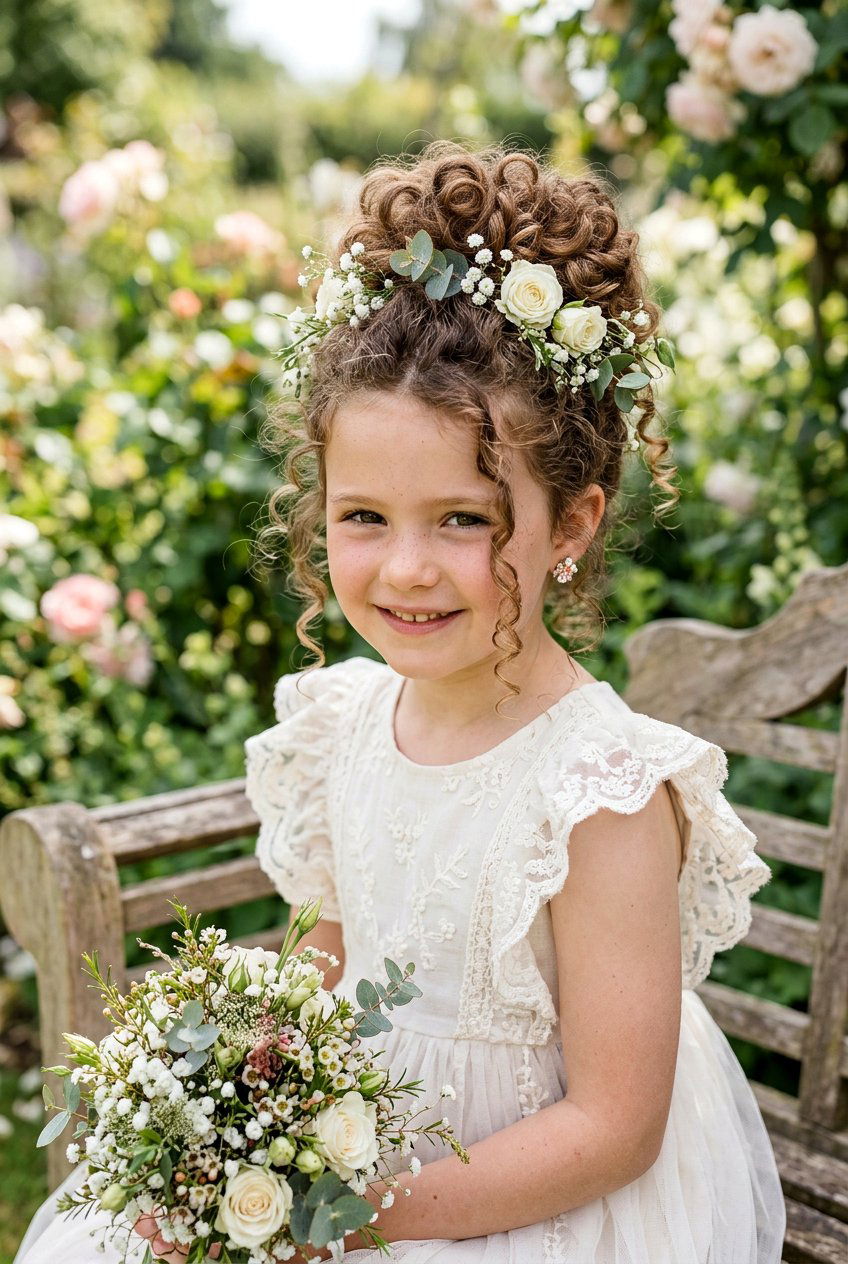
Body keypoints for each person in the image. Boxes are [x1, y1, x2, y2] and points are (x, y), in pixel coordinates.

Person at [14, 140, 786, 1263]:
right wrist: (230, 1104)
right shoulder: (346, 722)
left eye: (463, 520)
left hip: (526, 1204)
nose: (404, 569)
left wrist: (346, 1216)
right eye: (363, 517)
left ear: (569, 525)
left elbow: (614, 1130)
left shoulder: (600, 793)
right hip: (351, 1156)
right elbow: (326, 956)